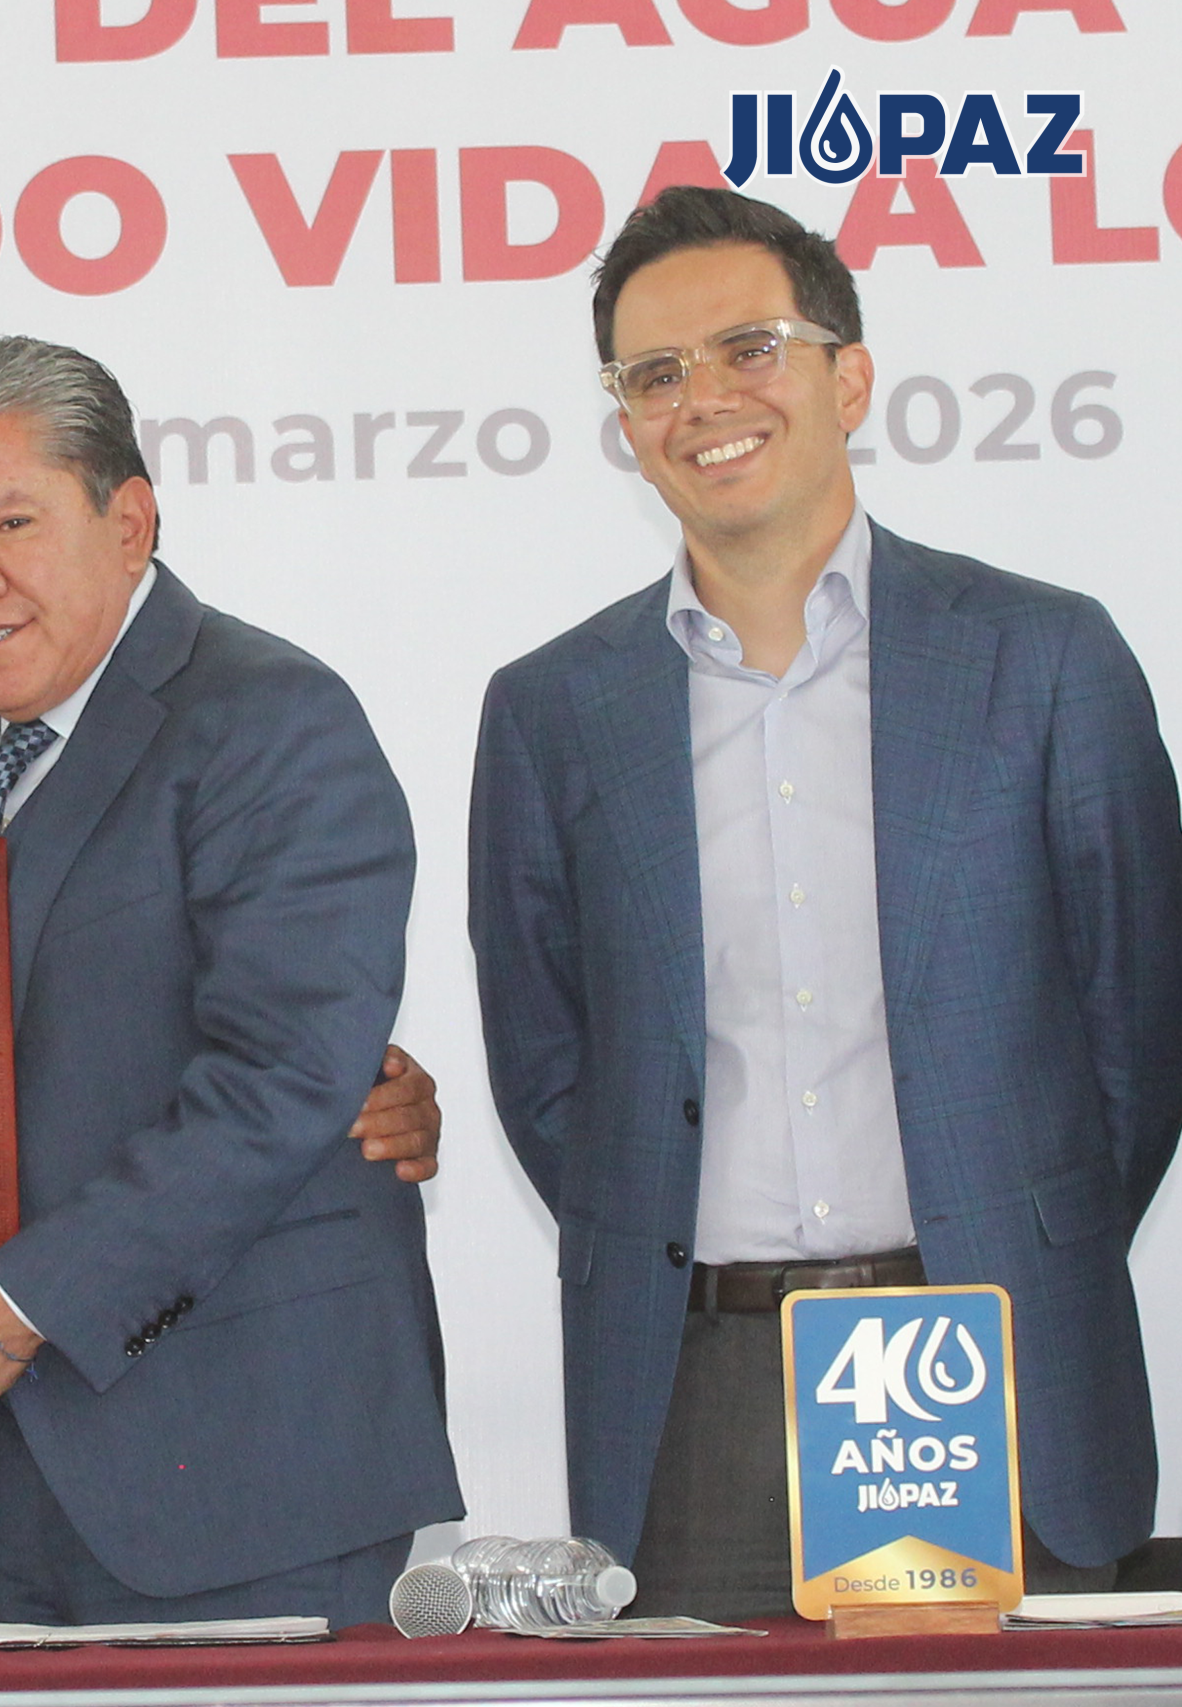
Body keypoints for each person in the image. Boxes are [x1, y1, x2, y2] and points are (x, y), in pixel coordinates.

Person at [468, 185, 1182, 1619]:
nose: (703, 399)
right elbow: (550, 1075)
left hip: (990, 1358)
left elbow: (1142, 1033)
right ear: (626, 425)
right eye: (653, 374)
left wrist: (1009, 1237)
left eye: (750, 348)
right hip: (697, 1395)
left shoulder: (1044, 659)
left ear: (848, 379)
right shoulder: (552, 710)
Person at [0, 335, 462, 1627]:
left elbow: (280, 1078)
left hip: (253, 1470)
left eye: (11, 522)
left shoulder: (271, 718)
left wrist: (12, 1309)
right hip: (22, 1473)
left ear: (129, 522)